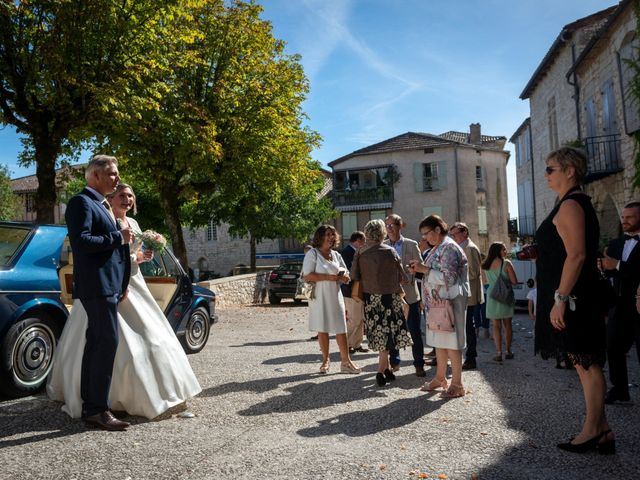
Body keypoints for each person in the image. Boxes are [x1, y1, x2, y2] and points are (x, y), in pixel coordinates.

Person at [48, 183, 202, 420]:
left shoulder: (135, 224)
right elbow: (110, 254)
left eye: (130, 196)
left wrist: (143, 257)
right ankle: (105, 397)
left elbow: (132, 255)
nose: (127, 199)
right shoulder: (107, 219)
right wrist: (132, 259)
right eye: (122, 195)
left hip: (135, 282)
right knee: (106, 341)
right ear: (111, 198)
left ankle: (155, 392)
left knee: (155, 340)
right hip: (112, 285)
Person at [535, 147, 614, 454]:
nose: (546, 174)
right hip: (576, 295)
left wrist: (560, 298)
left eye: (551, 168)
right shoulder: (572, 202)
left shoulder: (570, 204)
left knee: (587, 364)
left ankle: (592, 430)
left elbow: (577, 255)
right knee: (585, 363)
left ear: (570, 170)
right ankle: (602, 430)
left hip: (575, 297)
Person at [56, 155, 132, 431]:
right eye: (112, 174)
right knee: (106, 343)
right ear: (95, 176)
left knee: (97, 343)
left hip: (108, 286)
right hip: (96, 286)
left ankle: (92, 406)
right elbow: (82, 241)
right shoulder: (81, 203)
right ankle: (97, 409)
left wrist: (121, 284)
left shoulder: (102, 205)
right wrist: (118, 237)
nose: (116, 178)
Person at [409, 215, 468, 398]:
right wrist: (420, 271)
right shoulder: (438, 247)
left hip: (449, 302)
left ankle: (457, 384)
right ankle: (440, 377)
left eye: (426, 233)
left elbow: (449, 278)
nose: (425, 238)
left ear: (437, 229)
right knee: (440, 342)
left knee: (452, 343)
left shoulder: (448, 247)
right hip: (438, 303)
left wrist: (423, 269)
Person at [350, 219, 412, 386]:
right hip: (390, 297)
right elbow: (404, 278)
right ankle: (381, 371)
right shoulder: (390, 251)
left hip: (371, 298)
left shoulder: (360, 252)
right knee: (390, 334)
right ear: (382, 232)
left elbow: (354, 276)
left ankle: (384, 370)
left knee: (380, 335)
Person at [302, 225, 360, 374]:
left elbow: (345, 272)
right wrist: (328, 277)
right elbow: (307, 275)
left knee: (342, 327)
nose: (330, 237)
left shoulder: (336, 255)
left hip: (335, 294)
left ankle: (346, 362)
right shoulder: (313, 254)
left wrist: (345, 277)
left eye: (332, 235)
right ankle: (325, 360)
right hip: (319, 296)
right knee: (322, 328)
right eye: (327, 234)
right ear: (320, 237)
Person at [602, 201, 640, 405]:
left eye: (629, 217)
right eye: (623, 217)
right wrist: (603, 265)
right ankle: (620, 390)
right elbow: (609, 273)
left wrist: (617, 265)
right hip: (619, 306)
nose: (624, 221)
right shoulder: (616, 243)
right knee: (614, 347)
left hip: (639, 306)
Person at [384, 214, 425, 377]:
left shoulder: (411, 244)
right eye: (387, 226)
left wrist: (411, 273)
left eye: (392, 225)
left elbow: (421, 267)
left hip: (410, 294)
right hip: (391, 294)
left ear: (401, 226)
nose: (389, 228)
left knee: (415, 331)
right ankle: (394, 361)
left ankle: (419, 364)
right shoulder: (383, 246)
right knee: (392, 330)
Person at [449, 222, 484, 370]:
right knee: (463, 327)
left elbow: (475, 272)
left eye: (455, 233)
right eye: (452, 234)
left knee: (468, 327)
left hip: (468, 295)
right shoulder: (461, 247)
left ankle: (471, 358)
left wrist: (454, 272)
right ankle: (464, 357)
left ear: (465, 233)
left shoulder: (469, 248)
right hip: (462, 294)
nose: (453, 237)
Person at [482, 242, 517, 362]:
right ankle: (508, 351)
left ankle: (498, 352)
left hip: (492, 295)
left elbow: (484, 281)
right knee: (508, 325)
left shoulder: (485, 264)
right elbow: (514, 281)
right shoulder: (506, 263)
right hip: (505, 295)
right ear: (498, 251)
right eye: (504, 249)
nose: (506, 252)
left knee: (495, 325)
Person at [340, 231, 368, 354]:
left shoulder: (357, 252)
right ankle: (346, 344)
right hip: (350, 290)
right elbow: (347, 271)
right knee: (354, 319)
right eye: (363, 240)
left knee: (361, 319)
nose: (365, 243)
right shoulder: (346, 253)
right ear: (357, 240)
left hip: (360, 289)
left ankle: (357, 344)